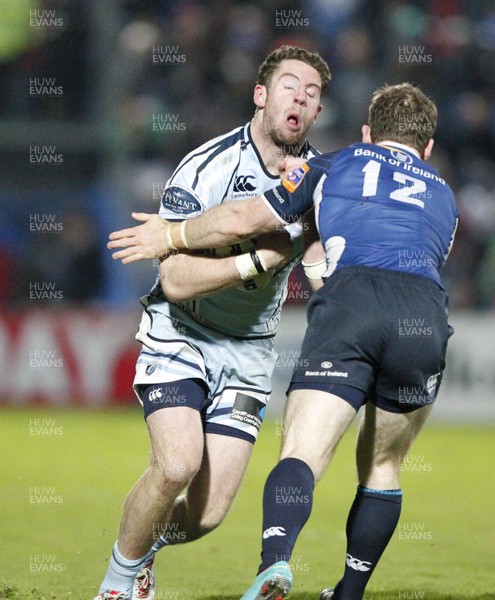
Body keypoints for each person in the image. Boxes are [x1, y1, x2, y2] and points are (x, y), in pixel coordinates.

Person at [109, 82, 459, 600]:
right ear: (427, 148)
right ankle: (349, 594)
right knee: (383, 466)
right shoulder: (445, 195)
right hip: (423, 314)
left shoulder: (334, 163)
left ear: (367, 133)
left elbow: (248, 216)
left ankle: (275, 563)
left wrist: (172, 235)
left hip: (351, 303)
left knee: (301, 453)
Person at [95, 45, 331, 600]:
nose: (299, 96)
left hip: (249, 351)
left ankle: (145, 544)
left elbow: (321, 267)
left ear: (317, 112)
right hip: (181, 331)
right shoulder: (207, 166)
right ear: (261, 95)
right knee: (177, 465)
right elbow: (174, 280)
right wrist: (256, 260)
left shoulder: (320, 183)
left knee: (207, 515)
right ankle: (116, 584)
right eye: (289, 85)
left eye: (312, 93)